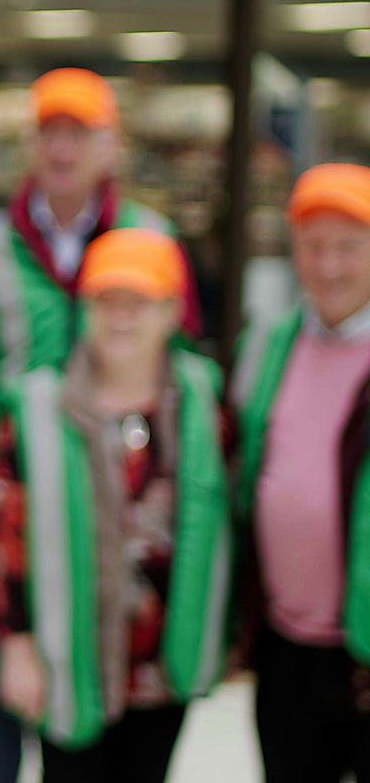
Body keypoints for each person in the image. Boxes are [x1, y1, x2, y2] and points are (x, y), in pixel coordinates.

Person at [0, 66, 200, 783]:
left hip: (120, 497)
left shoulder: (151, 237)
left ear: (112, 147)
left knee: (102, 663)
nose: (64, 150)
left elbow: (185, 365)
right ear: (31, 146)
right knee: (3, 679)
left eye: (81, 134)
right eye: (51, 133)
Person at [0, 228, 229, 781]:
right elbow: (3, 536)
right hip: (67, 657)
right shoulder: (38, 405)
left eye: (138, 302)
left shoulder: (200, 399)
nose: (121, 318)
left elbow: (227, 522)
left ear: (172, 312)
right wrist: (16, 646)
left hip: (162, 665)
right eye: (105, 301)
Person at [231, 163, 370, 781]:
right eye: (313, 247)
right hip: (286, 646)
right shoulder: (270, 344)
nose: (329, 265)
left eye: (348, 247)